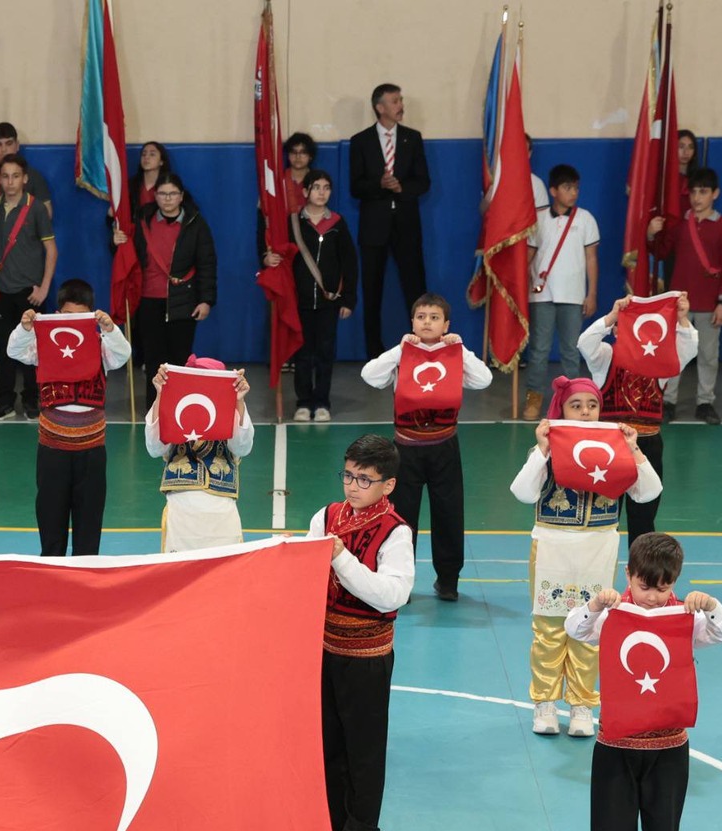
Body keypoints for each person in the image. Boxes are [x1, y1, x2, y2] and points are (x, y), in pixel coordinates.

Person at [566, 533, 722, 831]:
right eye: (645, 586)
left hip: (669, 745)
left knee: (663, 827)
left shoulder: (684, 616)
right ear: (628, 573)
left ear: (675, 580)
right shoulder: (613, 612)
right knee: (611, 824)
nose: (654, 597)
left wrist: (710, 606)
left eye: (664, 587)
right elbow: (575, 628)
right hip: (615, 742)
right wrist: (595, 604)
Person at [512, 377, 663, 740]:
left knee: (591, 628)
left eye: (592, 405)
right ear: (562, 409)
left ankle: (582, 705)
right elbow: (522, 492)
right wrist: (542, 450)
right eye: (575, 405)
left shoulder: (617, 448)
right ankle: (545, 703)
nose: (584, 412)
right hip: (552, 545)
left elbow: (648, 493)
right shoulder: (549, 448)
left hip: (598, 546)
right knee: (549, 629)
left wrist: (634, 449)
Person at [317, 434, 415, 831]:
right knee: (327, 742)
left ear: (387, 485)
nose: (352, 486)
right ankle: (333, 821)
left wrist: (340, 559)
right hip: (323, 649)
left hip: (367, 656)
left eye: (364, 479)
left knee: (364, 752)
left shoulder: (396, 532)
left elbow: (392, 595)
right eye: (348, 475)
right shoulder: (326, 516)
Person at [360, 295, 492, 601]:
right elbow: (370, 375)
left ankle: (448, 581)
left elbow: (484, 379)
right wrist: (400, 348)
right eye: (421, 317)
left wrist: (461, 349)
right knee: (401, 517)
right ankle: (399, 582)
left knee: (449, 512)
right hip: (405, 448)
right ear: (412, 323)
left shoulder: (455, 354)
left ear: (446, 325)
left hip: (445, 447)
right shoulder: (401, 354)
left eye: (434, 317)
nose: (427, 322)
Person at [4, 281, 131, 555]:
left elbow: (123, 355)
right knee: (51, 529)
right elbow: (14, 351)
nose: (73, 321)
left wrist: (110, 329)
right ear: (57, 314)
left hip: (92, 452)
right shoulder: (43, 346)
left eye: (81, 316)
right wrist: (25, 328)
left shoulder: (101, 347)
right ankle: (52, 577)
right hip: (52, 451)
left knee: (88, 534)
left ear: (92, 316)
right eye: (68, 315)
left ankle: (85, 579)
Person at [578, 297, 698, 542]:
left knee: (644, 518)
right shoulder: (605, 357)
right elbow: (584, 343)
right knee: (603, 517)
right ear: (616, 331)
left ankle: (640, 566)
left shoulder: (661, 362)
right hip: (609, 447)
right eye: (624, 326)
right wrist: (611, 316)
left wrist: (682, 318)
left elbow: (688, 350)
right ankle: (600, 566)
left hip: (647, 448)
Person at [348, 84, 431, 356]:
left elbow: (423, 182)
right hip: (374, 228)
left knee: (415, 289)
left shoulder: (412, 138)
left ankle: (421, 348)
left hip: (407, 226)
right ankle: (374, 353)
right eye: (395, 101)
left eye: (400, 100)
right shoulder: (361, 141)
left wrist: (401, 188)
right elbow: (355, 186)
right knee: (372, 292)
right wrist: (380, 185)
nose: (400, 105)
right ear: (380, 107)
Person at [268, 167, 355, 421]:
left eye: (326, 188)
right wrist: (269, 258)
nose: (321, 192)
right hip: (300, 302)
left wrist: (348, 299)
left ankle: (322, 402)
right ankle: (304, 403)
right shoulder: (293, 223)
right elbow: (280, 254)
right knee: (303, 353)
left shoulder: (337, 223)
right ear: (305, 191)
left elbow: (350, 264)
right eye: (316, 187)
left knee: (325, 353)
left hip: (329, 301)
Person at [118, 175, 216, 398]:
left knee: (180, 359)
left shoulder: (195, 223)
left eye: (173, 194)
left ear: (181, 196)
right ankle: (154, 409)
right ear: (155, 196)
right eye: (163, 193)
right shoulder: (143, 220)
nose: (168, 198)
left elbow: (207, 264)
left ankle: (178, 407)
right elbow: (127, 256)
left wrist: (206, 300)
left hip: (184, 300)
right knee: (153, 359)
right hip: (148, 299)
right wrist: (116, 242)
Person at [649, 168, 722, 423]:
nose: (697, 198)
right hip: (680, 304)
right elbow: (660, 252)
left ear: (715, 194)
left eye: (703, 192)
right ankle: (668, 401)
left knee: (708, 355)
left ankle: (705, 402)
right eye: (694, 192)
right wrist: (651, 233)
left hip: (709, 303)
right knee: (674, 354)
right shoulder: (679, 225)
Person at [144, 355, 252, 551]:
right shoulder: (172, 405)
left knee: (225, 570)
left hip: (222, 515)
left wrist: (239, 401)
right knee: (181, 571)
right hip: (181, 513)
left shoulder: (233, 409)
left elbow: (242, 448)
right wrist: (161, 394)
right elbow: (154, 448)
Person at [519, 164, 600, 419]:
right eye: (567, 187)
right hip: (541, 295)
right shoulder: (538, 219)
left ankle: (573, 401)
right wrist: (518, 289)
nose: (573, 192)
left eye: (576, 188)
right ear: (553, 191)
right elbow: (528, 257)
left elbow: (591, 258)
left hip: (573, 296)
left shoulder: (586, 219)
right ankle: (534, 398)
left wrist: (591, 294)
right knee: (539, 350)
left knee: (570, 351)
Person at [0, 154, 55, 421]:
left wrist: (44, 288)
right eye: (5, 176)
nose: (9, 182)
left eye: (15, 176)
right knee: (4, 349)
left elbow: (51, 249)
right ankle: (5, 402)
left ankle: (32, 399)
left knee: (32, 349)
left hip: (29, 293)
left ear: (25, 178)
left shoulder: (36, 209)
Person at [0, 122, 52, 205]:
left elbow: (46, 210)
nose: (3, 149)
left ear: (17, 145)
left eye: (9, 143)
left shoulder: (33, 176)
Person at [125, 141, 174, 225]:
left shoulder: (171, 185)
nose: (146, 157)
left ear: (161, 161)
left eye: (152, 154)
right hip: (135, 230)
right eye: (143, 154)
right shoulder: (131, 185)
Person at [281, 131, 318, 213]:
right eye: (294, 152)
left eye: (303, 152)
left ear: (310, 156)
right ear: (288, 155)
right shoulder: (278, 180)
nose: (298, 157)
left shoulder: (317, 180)